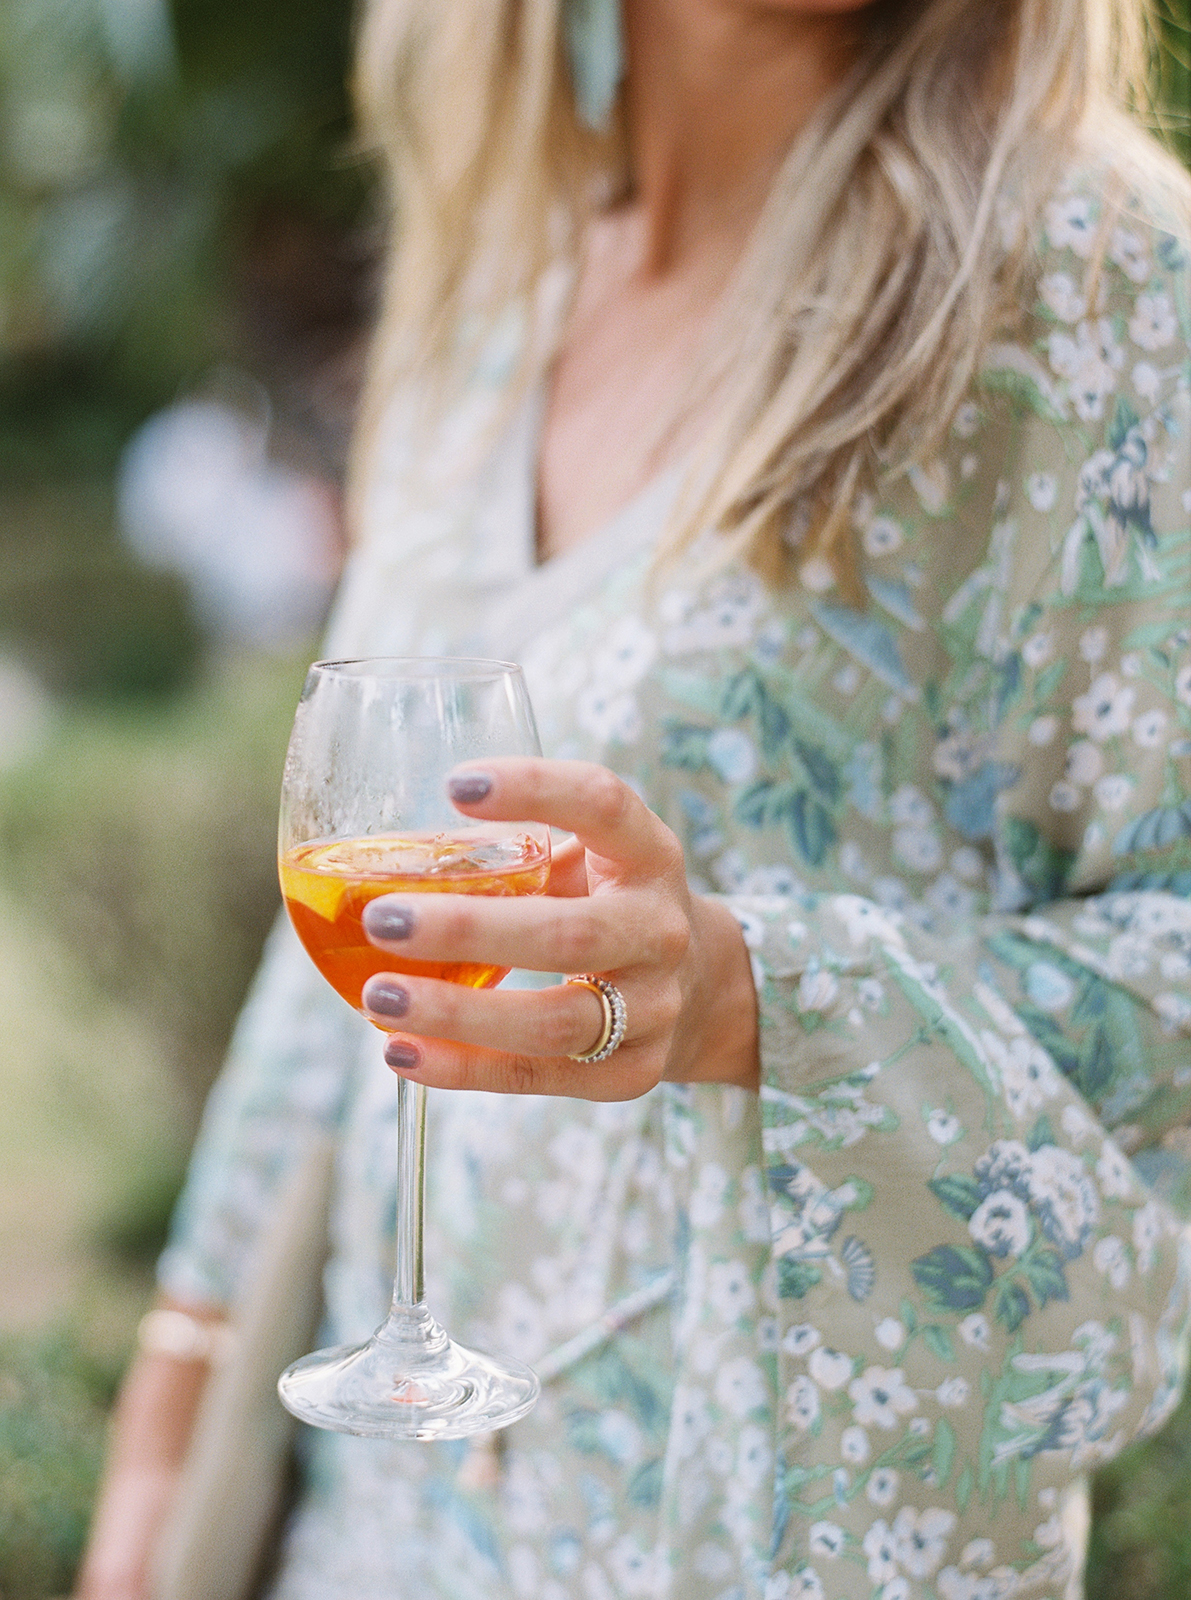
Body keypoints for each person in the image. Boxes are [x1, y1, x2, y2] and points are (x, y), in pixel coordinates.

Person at [77, 0, 1191, 1596]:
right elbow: (344, 918)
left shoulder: (1098, 290)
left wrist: (753, 997)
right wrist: (173, 1407)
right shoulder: (498, 267)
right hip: (386, 1538)